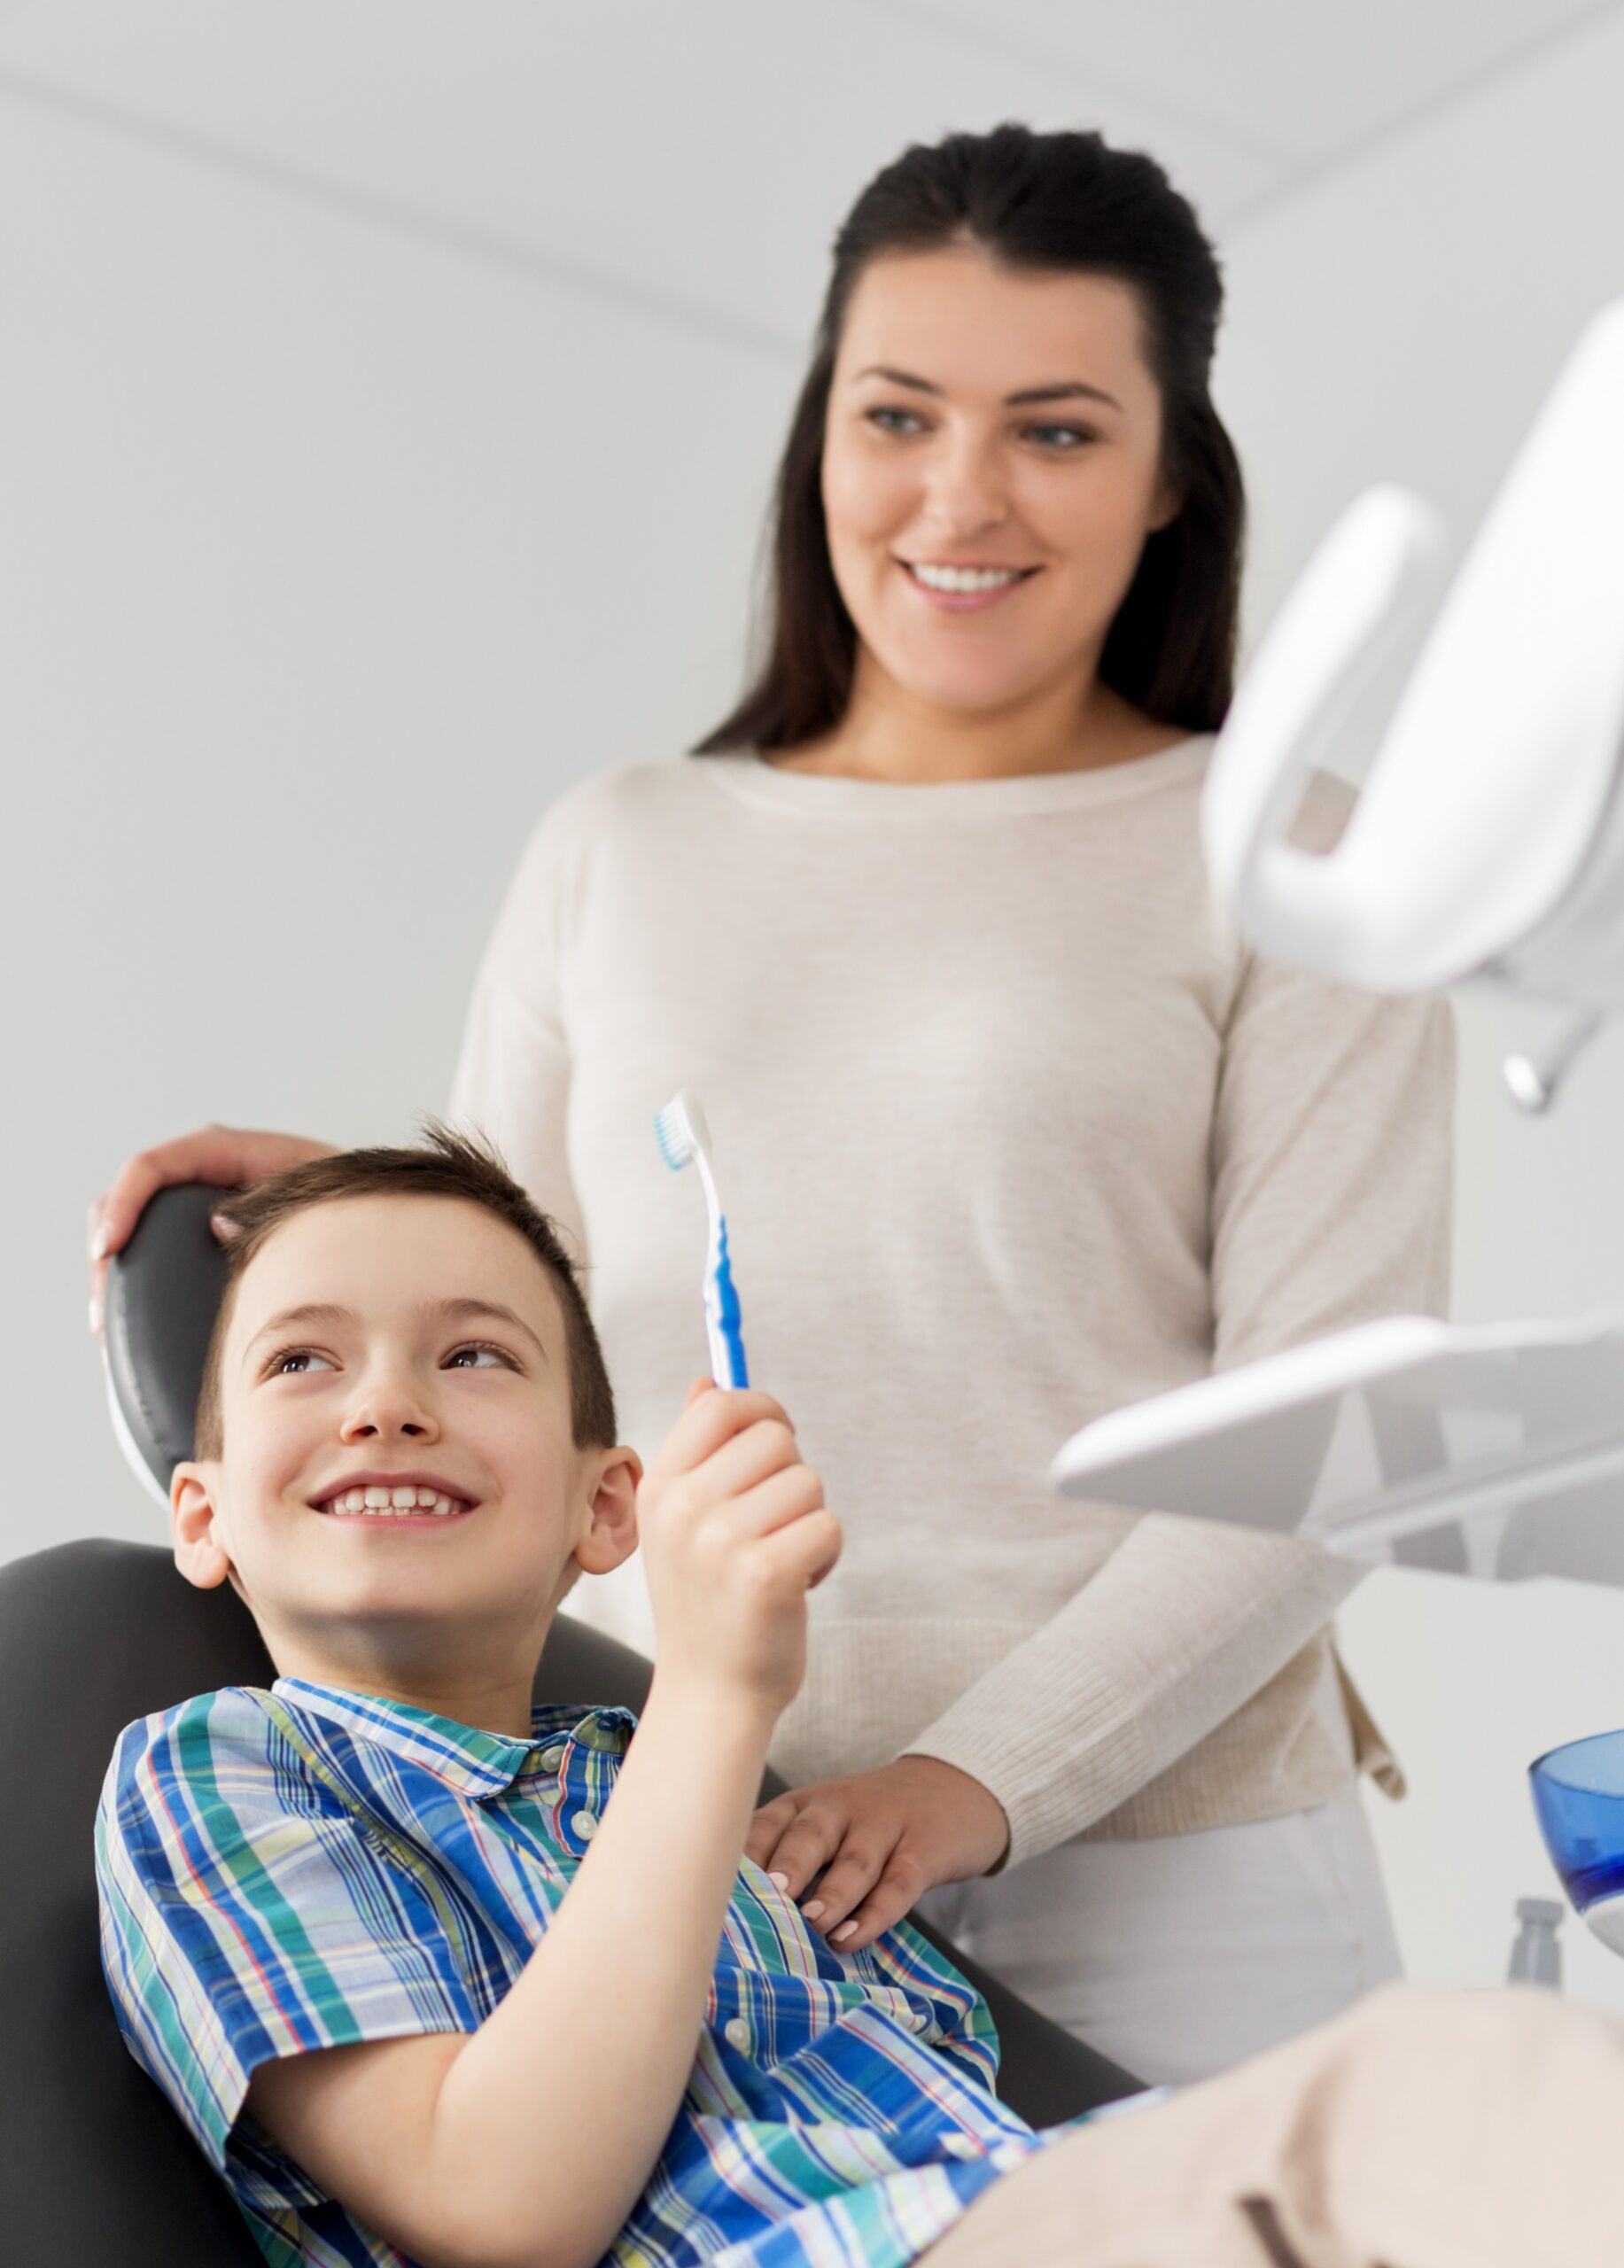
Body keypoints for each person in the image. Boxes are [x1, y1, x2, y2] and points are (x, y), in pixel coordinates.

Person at [88, 123, 1453, 2084]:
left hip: (1176, 1873)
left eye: (1054, 430)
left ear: (1168, 479)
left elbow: (1330, 1440)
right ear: (822, 432)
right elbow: (531, 1309)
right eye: (895, 413)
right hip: (697, 1837)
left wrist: (968, 1777)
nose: (957, 493)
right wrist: (351, 1203)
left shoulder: (1291, 861)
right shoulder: (620, 848)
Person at [95, 1130, 1624, 2268]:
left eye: (472, 1353)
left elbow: (975, 2116)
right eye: (306, 1357)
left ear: (606, 1507)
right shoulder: (219, 1776)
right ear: (203, 1512)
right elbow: (500, 2210)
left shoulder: (679, 1807)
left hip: (1012, 2206)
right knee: (1455, 2086)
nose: (389, 1400)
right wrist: (714, 1693)